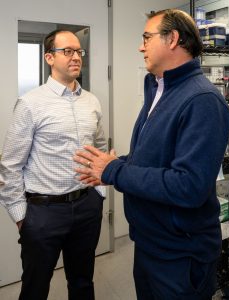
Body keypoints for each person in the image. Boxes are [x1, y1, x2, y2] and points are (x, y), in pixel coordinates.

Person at [73, 9, 229, 300]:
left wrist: (115, 171)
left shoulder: (202, 101)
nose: (140, 46)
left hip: (181, 254)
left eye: (146, 37)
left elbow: (189, 186)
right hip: (149, 243)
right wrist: (110, 166)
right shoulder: (158, 89)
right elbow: (152, 159)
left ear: (172, 39)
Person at [0, 29, 106, 300]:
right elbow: (10, 165)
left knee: (83, 282)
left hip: (86, 207)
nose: (76, 57)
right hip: (43, 212)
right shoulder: (30, 103)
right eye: (67, 51)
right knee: (35, 288)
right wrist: (22, 216)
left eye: (78, 51)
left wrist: (99, 191)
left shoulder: (92, 101)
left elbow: (100, 148)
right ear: (49, 57)